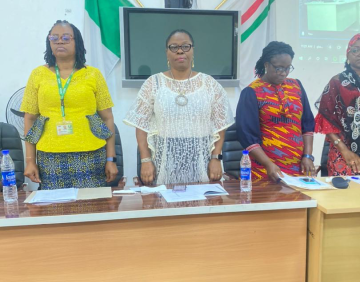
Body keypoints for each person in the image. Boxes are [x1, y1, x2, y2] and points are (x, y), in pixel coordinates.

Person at [124, 29, 234, 185]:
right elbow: (141, 126)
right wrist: (146, 160)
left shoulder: (209, 83)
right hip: (165, 158)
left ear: (193, 50)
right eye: (174, 47)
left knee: (201, 204)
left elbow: (219, 125)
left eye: (185, 46)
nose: (180, 50)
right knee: (166, 204)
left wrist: (216, 158)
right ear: (167, 53)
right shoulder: (153, 83)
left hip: (201, 157)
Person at [21, 20, 118, 190]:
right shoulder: (37, 75)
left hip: (91, 154)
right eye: (54, 38)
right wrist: (30, 161)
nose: (60, 41)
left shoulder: (93, 75)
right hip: (49, 156)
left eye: (66, 38)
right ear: (49, 42)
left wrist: (110, 159)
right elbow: (29, 119)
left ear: (77, 42)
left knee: (91, 208)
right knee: (54, 210)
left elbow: (107, 118)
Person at [236, 41, 315, 182]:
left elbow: (307, 125)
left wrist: (307, 156)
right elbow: (247, 135)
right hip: (266, 170)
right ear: (266, 65)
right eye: (279, 68)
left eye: (287, 68)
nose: (283, 73)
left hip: (298, 169)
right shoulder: (252, 92)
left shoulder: (296, 86)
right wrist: (268, 164)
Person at [315, 34, 360, 176]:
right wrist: (344, 150)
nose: (359, 54)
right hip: (344, 148)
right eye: (355, 50)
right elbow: (325, 119)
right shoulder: (337, 82)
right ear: (348, 53)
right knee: (345, 193)